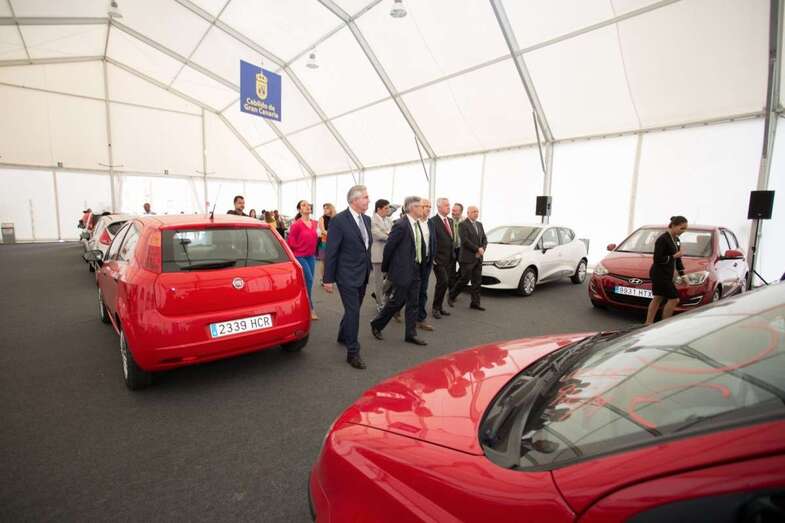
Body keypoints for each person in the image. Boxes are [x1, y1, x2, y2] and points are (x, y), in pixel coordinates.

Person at [323, 186, 373, 370]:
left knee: (354, 309)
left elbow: (365, 246)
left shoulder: (366, 219)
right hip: (346, 275)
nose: (369, 200)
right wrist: (328, 279)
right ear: (354, 200)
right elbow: (331, 251)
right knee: (353, 312)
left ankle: (343, 335)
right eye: (366, 197)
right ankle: (353, 352)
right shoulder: (338, 221)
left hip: (363, 273)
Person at [370, 196, 428, 347]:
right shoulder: (401, 225)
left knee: (413, 303)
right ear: (412, 208)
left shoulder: (417, 224)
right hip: (402, 270)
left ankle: (410, 334)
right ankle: (377, 324)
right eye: (421, 206)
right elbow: (390, 247)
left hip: (415, 268)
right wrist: (387, 269)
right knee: (397, 302)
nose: (423, 209)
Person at [645, 216, 688, 325]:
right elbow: (657, 259)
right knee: (674, 299)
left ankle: (648, 323)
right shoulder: (662, 239)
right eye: (682, 228)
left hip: (667, 274)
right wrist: (674, 256)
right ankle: (664, 325)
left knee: (658, 297)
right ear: (673, 226)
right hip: (659, 274)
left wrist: (683, 274)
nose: (683, 231)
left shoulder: (677, 240)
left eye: (685, 229)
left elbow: (678, 258)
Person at [448, 205, 487, 311]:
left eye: (477, 211)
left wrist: (482, 248)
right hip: (467, 258)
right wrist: (477, 249)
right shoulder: (463, 225)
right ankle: (451, 296)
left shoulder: (479, 224)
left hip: (478, 258)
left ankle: (475, 303)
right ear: (468, 213)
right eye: (474, 211)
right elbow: (465, 241)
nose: (476, 213)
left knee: (477, 281)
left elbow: (484, 239)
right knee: (464, 279)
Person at [287, 200, 320, 321]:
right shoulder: (296, 224)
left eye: (308, 205)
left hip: (311, 256)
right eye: (303, 205)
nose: (307, 207)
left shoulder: (315, 223)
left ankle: (300, 305)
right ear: (299, 209)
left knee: (307, 283)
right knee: (310, 281)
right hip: (299, 256)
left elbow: (318, 238)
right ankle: (310, 308)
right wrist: (299, 248)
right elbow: (290, 241)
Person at [429, 197, 454, 319]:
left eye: (449, 205)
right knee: (442, 282)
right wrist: (433, 256)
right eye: (446, 205)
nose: (448, 207)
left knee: (445, 283)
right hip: (438, 258)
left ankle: (440, 306)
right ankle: (435, 308)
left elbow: (450, 239)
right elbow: (431, 240)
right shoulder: (433, 221)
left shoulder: (450, 220)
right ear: (439, 207)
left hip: (449, 258)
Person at [416, 198, 437, 332]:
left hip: (427, 262)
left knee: (423, 291)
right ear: (419, 207)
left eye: (429, 206)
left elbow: (433, 240)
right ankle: (394, 309)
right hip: (414, 263)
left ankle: (420, 319)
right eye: (425, 206)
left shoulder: (430, 223)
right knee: (405, 291)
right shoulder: (413, 223)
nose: (428, 209)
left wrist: (433, 256)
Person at [370, 199, 393, 312]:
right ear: (378, 209)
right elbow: (377, 235)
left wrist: (388, 233)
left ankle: (377, 293)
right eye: (386, 208)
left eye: (389, 208)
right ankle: (380, 303)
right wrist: (390, 235)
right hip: (378, 254)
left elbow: (393, 232)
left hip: (389, 254)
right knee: (378, 280)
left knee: (392, 278)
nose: (388, 210)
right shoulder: (372, 220)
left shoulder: (389, 219)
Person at [317, 203, 335, 281]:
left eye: (327, 208)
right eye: (324, 208)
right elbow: (323, 230)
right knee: (323, 260)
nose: (325, 210)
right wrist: (334, 235)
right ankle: (322, 278)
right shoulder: (322, 218)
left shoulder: (335, 218)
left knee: (331, 260)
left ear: (331, 209)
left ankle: (329, 277)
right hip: (324, 242)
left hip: (333, 242)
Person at [448, 203, 464, 289]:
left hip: (461, 249)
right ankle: (451, 290)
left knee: (465, 269)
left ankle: (457, 281)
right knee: (451, 270)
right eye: (452, 210)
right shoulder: (449, 221)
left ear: (460, 212)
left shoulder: (465, 222)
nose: (452, 212)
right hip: (451, 249)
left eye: (455, 210)